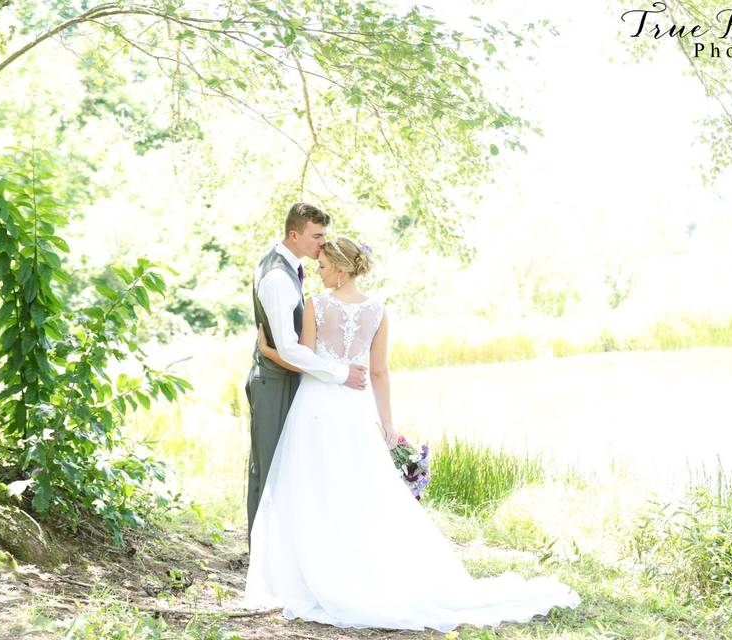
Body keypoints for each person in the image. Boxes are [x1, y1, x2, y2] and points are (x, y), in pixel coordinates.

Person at [245, 237, 580, 631]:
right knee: (358, 488)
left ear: (339, 269)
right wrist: (388, 423)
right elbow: (381, 372)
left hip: (318, 404)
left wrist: (268, 352)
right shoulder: (377, 310)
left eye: (322, 266)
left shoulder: (318, 305)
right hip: (357, 406)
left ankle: (313, 570)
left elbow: (304, 359)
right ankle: (360, 564)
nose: (317, 272)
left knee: (312, 483)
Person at [245, 203, 368, 545]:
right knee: (269, 469)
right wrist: (340, 373)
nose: (321, 244)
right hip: (274, 381)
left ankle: (283, 549)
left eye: (324, 236)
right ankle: (262, 554)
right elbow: (288, 347)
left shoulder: (288, 265)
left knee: (287, 468)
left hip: (288, 378)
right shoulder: (276, 277)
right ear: (294, 234)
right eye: (316, 237)